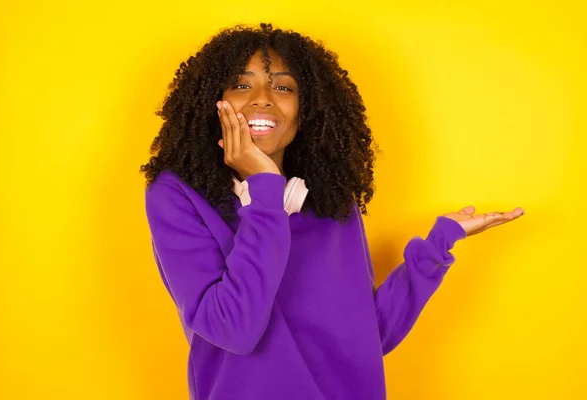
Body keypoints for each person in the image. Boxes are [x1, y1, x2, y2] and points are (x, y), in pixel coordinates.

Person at [141, 23, 524, 400]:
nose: (262, 98)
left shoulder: (329, 199)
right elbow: (234, 330)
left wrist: (436, 247)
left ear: (305, 111)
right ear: (213, 99)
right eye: (242, 84)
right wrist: (264, 187)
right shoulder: (177, 196)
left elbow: (363, 335)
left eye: (284, 87)